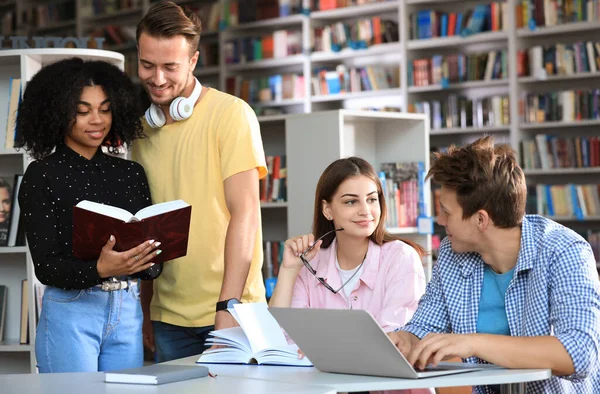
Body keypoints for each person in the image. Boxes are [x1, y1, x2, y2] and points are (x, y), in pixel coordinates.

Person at [388, 136, 600, 393]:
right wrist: (403, 340)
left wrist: (473, 343)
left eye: (446, 212)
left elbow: (579, 353)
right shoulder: (452, 253)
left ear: (480, 220)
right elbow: (425, 327)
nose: (439, 220)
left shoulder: (564, 251)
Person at [133, 0, 268, 362]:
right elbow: (146, 224)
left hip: (231, 311)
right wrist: (147, 310)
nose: (157, 79)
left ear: (193, 62)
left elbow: (246, 215)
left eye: (169, 67)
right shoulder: (141, 131)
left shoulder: (232, 115)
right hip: (167, 317)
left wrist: (228, 305)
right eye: (147, 65)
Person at [15, 57, 162, 373]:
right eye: (83, 111)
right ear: (57, 113)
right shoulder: (41, 176)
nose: (96, 120)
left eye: (105, 109)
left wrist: (149, 260)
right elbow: (47, 267)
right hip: (71, 312)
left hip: (127, 310)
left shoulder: (130, 173)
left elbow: (151, 256)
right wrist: (99, 268)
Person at [269, 157, 432, 394]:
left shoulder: (400, 257)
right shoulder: (310, 262)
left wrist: (320, 348)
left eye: (372, 199)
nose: (365, 211)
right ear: (327, 209)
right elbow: (278, 343)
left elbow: (391, 344)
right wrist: (289, 270)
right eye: (351, 201)